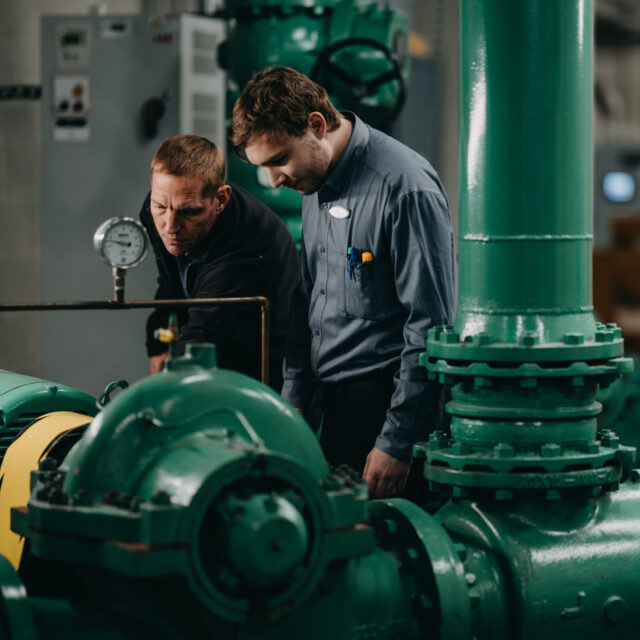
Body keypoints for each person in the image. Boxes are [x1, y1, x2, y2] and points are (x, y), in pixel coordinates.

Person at [231, 67, 456, 500]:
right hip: (330, 409)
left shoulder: (403, 187)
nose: (274, 180)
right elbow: (308, 298)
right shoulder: (315, 181)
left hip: (383, 408)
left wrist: (397, 441)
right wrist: (293, 398)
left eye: (278, 160)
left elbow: (430, 326)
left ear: (316, 125)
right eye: (263, 168)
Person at [140, 134, 300, 390]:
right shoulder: (153, 211)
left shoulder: (250, 243)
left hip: (268, 371)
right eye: (161, 206)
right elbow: (170, 281)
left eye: (188, 211)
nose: (170, 226)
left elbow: (205, 336)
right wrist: (158, 340)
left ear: (221, 200)